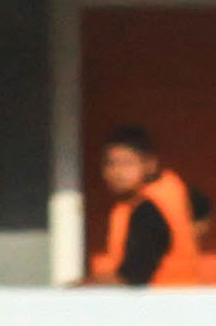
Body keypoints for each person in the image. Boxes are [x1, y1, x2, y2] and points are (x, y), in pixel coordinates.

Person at [86, 123, 206, 287]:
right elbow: (203, 210)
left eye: (127, 163)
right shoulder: (172, 187)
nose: (117, 172)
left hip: (160, 298)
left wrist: (74, 290)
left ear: (150, 165)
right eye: (110, 163)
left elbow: (132, 277)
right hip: (185, 294)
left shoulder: (147, 210)